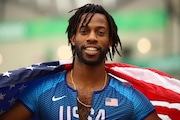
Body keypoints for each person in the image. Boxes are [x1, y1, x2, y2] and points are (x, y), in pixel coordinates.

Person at [0, 4, 161, 120]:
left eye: (100, 32)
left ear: (110, 40)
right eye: (84, 31)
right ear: (73, 38)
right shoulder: (43, 90)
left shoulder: (129, 98)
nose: (92, 37)